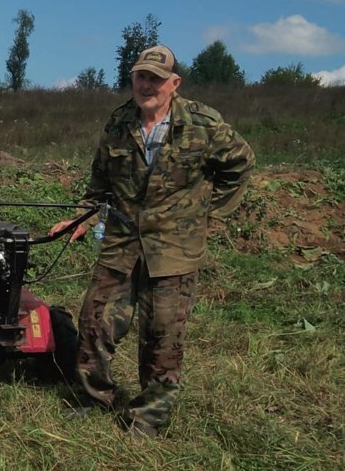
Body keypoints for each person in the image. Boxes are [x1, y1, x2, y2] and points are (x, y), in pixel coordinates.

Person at [49, 45, 254, 436]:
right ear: (132, 80)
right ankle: (96, 399)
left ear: (173, 84)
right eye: (141, 77)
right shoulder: (119, 123)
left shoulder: (204, 125)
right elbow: (100, 183)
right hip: (122, 243)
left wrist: (206, 212)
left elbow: (242, 163)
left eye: (156, 79)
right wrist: (81, 216)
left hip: (174, 250)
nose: (147, 85)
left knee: (162, 335)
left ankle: (148, 416)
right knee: (95, 321)